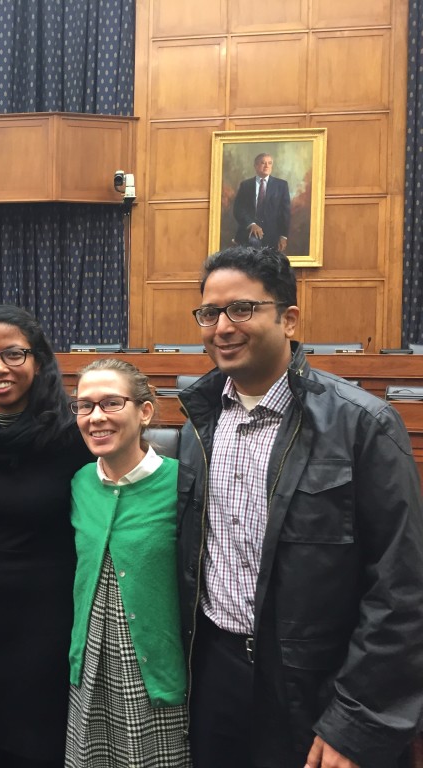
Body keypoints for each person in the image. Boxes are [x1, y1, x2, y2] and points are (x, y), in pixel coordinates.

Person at [178, 246, 423, 767]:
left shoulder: (364, 426)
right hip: (214, 677)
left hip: (318, 686)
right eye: (209, 313)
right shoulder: (196, 425)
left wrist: (357, 721)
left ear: (289, 319)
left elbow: (401, 589)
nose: (222, 327)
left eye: (241, 309)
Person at [0, 305, 93, 768]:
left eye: (13, 354)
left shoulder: (73, 435)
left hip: (44, 612)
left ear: (39, 359)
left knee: (35, 741)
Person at [66, 358, 190, 768]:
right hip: (90, 666)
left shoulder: (182, 483)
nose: (95, 417)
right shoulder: (80, 482)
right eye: (84, 406)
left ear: (145, 412)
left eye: (111, 403)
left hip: (155, 672)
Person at [232, 153, 290, 252]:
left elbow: (285, 213)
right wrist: (251, 224)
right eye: (263, 163)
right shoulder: (246, 185)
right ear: (256, 166)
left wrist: (283, 236)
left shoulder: (281, 185)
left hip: (273, 236)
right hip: (249, 234)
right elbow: (238, 209)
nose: (267, 165)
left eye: (269, 163)